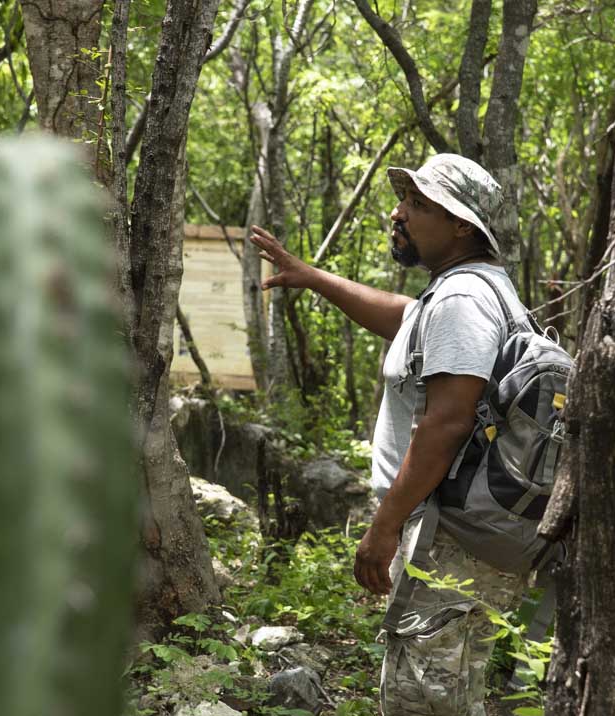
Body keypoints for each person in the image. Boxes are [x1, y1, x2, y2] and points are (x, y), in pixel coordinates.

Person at [249, 153, 529, 715]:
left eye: (418, 205)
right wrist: (312, 276)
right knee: (450, 692)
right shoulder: (471, 291)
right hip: (466, 532)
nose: (398, 214)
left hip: (444, 534)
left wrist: (384, 527)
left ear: (461, 225)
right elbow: (404, 317)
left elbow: (446, 422)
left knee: (422, 699)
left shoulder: (462, 299)